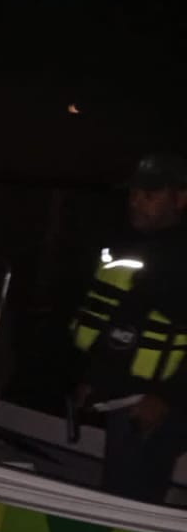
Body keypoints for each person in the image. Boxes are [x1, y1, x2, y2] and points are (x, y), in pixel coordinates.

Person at [70, 152, 187, 503]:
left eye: (150, 195)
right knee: (114, 493)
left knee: (131, 503)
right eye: (134, 193)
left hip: (156, 408)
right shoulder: (130, 245)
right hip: (120, 399)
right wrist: (93, 377)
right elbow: (119, 319)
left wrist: (164, 399)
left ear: (180, 199)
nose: (136, 202)